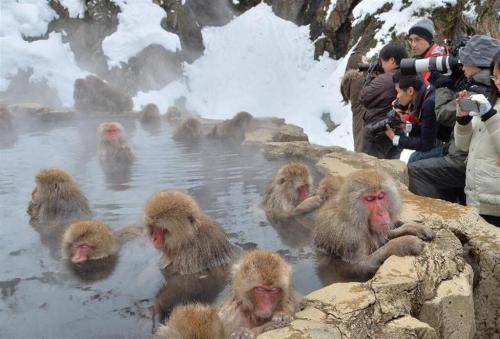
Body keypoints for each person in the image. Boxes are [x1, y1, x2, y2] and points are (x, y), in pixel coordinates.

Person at [408, 35, 499, 203]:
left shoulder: (479, 92)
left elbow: (443, 114)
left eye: (465, 60)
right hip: (466, 153)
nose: (461, 65)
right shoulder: (477, 85)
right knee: (418, 158)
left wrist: (443, 85)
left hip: (466, 161)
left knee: (414, 169)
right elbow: (463, 133)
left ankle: (443, 212)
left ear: (477, 62)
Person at [454, 49, 500, 227]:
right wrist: (463, 119)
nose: (497, 83)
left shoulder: (490, 109)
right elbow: (463, 146)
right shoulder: (492, 102)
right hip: (476, 198)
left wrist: (489, 115)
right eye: (495, 77)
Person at [360, 43, 408, 159]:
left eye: (382, 61)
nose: (381, 65)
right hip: (399, 131)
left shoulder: (385, 79)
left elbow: (363, 97)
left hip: (378, 132)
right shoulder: (409, 76)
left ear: (392, 60)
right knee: (390, 171)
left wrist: (370, 76)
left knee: (370, 171)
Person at [384, 70, 441, 163]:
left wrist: (395, 138)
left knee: (413, 162)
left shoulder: (429, 103)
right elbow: (429, 128)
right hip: (440, 139)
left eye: (398, 92)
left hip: (450, 146)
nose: (397, 96)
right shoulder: (426, 93)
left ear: (410, 91)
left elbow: (426, 144)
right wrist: (406, 126)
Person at [408, 18, 447, 84]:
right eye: (411, 40)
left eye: (417, 39)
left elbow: (427, 88)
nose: (413, 45)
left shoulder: (438, 58)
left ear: (428, 40)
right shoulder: (422, 57)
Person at [341, 51, 366, 152]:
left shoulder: (351, 81)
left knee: (359, 143)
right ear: (358, 63)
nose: (367, 62)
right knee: (362, 146)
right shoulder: (358, 80)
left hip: (359, 118)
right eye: (364, 60)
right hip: (363, 118)